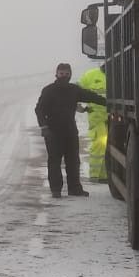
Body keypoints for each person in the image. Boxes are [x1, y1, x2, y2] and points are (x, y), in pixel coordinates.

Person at [35, 62, 107, 197]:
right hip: (53, 132)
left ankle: (75, 188)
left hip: (70, 131)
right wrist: (44, 127)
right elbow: (39, 110)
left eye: (67, 74)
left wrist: (107, 102)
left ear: (70, 75)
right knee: (54, 162)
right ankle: (56, 190)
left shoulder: (74, 90)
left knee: (73, 161)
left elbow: (91, 96)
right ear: (56, 74)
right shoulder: (48, 90)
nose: (64, 76)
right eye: (61, 73)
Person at [79, 67, 108, 182]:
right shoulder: (90, 75)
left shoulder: (117, 74)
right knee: (99, 145)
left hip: (113, 117)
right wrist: (78, 107)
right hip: (97, 119)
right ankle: (94, 175)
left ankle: (103, 176)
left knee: (107, 147)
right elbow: (76, 91)